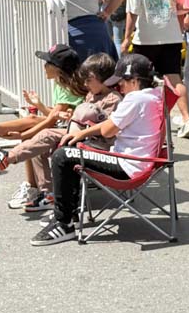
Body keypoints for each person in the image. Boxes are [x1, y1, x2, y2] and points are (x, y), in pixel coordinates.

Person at [31, 53, 164, 246]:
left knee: (63, 156)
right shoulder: (155, 95)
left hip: (126, 166)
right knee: (73, 150)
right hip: (141, 161)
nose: (119, 87)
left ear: (134, 80)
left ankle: (64, 222)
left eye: (122, 82)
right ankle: (70, 214)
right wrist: (82, 135)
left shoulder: (134, 99)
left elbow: (108, 131)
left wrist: (83, 132)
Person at [0, 53, 122, 212]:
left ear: (103, 78)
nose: (85, 84)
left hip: (95, 144)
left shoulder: (113, 99)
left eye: (88, 80)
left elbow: (108, 130)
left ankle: (7, 158)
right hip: (78, 136)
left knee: (46, 134)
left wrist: (83, 124)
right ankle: (48, 193)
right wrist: (72, 117)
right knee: (39, 144)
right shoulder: (92, 94)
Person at [0, 43, 86, 210]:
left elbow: (51, 120)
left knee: (34, 130)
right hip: (69, 125)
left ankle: (36, 187)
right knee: (32, 118)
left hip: (77, 131)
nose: (44, 66)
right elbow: (55, 115)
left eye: (48, 63)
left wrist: (21, 136)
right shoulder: (62, 83)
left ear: (59, 68)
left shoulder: (68, 86)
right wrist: (40, 105)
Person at [123, 0, 189, 139]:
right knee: (174, 78)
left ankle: (141, 120)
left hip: (145, 38)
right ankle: (186, 118)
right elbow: (182, 6)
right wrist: (180, 28)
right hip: (171, 35)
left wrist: (126, 37)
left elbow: (133, 10)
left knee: (138, 79)